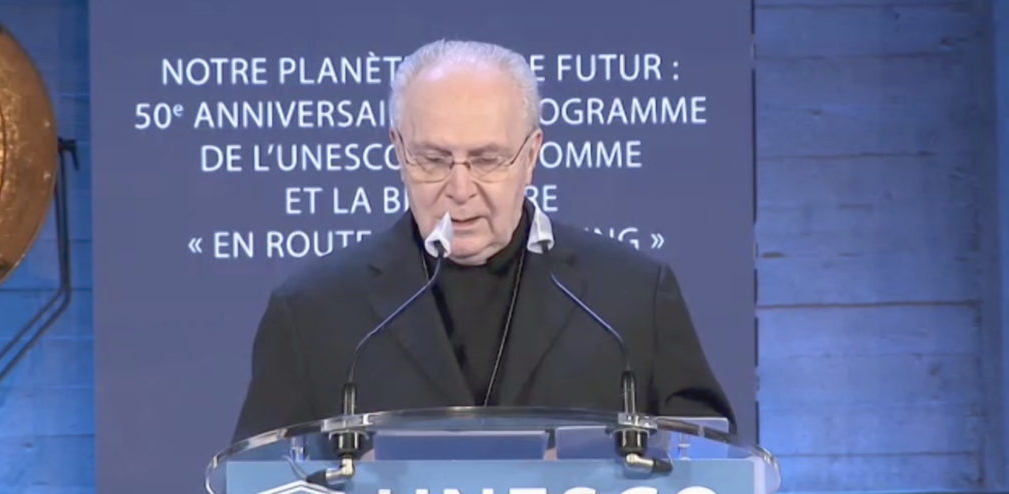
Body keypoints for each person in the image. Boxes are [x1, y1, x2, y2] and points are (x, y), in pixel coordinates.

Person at [231, 39, 735, 443]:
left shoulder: (630, 299)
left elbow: (708, 468)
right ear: (398, 151)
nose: (460, 187)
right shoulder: (314, 311)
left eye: (487, 160)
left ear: (531, 155)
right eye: (433, 159)